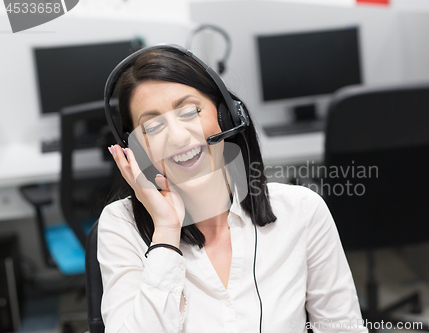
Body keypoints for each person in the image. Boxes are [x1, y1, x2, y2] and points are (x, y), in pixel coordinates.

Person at [98, 45, 367, 333]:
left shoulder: (301, 211)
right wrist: (165, 234)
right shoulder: (121, 226)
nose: (177, 137)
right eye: (151, 127)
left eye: (189, 112)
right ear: (137, 150)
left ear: (227, 116)